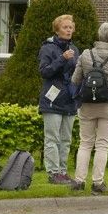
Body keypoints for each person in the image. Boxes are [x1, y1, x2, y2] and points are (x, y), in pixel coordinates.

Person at [69, 21, 108, 194]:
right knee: (102, 144)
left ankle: (79, 181)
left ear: (99, 35)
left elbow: (75, 79)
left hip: (88, 103)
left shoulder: (86, 54)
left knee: (85, 143)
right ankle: (98, 184)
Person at [38, 14, 79, 185]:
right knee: (52, 138)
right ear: (57, 29)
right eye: (65, 27)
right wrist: (62, 59)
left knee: (66, 139)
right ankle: (53, 173)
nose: (68, 30)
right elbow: (44, 72)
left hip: (69, 99)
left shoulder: (75, 49)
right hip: (53, 100)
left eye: (71, 27)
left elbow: (78, 74)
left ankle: (63, 171)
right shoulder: (48, 48)